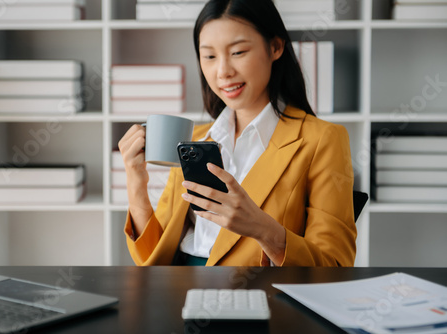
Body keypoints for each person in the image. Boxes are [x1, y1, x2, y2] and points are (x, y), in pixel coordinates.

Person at [119, 0, 357, 266]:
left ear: (275, 47)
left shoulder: (322, 139)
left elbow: (335, 265)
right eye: (209, 56)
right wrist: (136, 182)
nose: (223, 72)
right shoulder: (195, 139)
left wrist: (262, 228)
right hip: (179, 292)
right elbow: (152, 256)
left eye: (238, 52)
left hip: (256, 297)